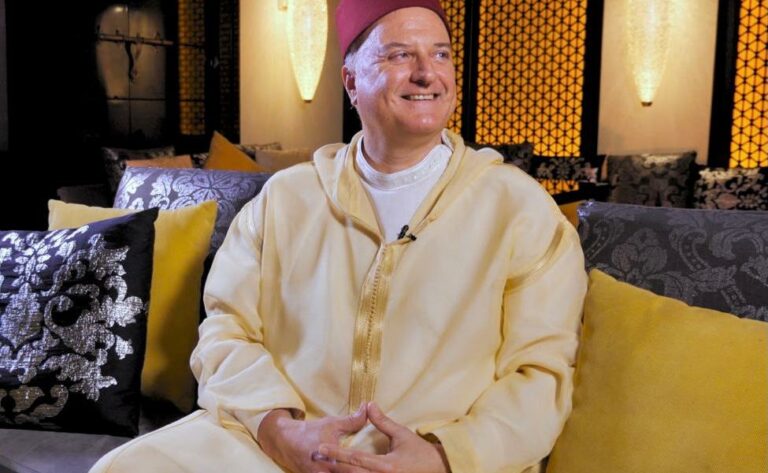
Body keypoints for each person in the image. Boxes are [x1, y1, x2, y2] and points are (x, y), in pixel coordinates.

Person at [91, 0, 587, 471]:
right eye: (400, 55)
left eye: (440, 55)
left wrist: (443, 457)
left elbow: (541, 374)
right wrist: (278, 430)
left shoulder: (518, 208)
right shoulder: (286, 198)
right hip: (277, 445)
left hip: (438, 455)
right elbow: (227, 329)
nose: (427, 73)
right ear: (351, 81)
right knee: (127, 466)